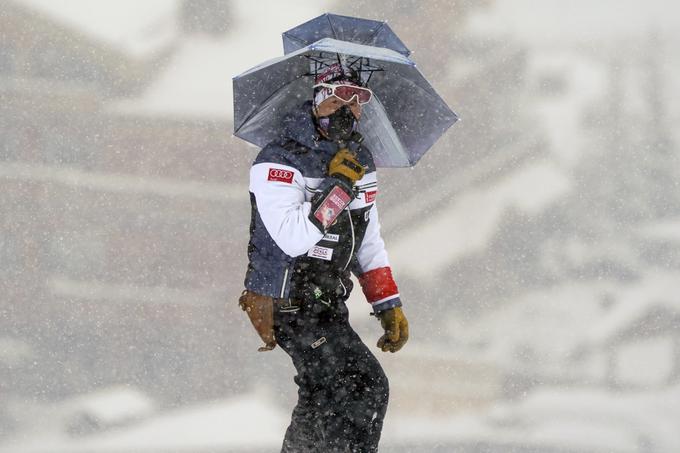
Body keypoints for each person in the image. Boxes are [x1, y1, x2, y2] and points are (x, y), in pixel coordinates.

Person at [239, 62, 409, 453]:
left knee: (323, 396)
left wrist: (387, 304)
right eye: (336, 98)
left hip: (327, 298)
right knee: (361, 384)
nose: (347, 109)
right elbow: (294, 238)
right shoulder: (278, 160)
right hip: (288, 301)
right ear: (315, 101)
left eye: (358, 99)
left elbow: (368, 239)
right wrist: (338, 184)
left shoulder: (360, 160)